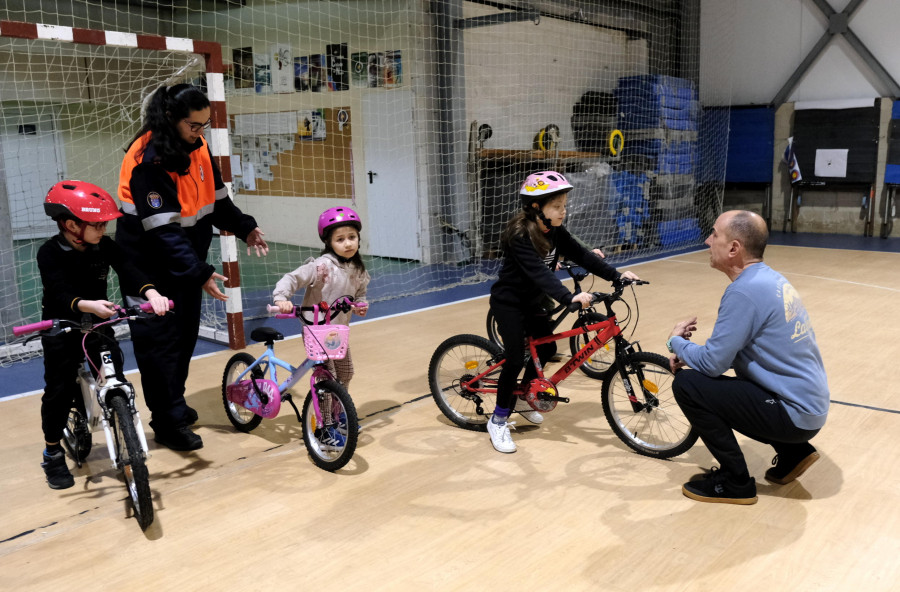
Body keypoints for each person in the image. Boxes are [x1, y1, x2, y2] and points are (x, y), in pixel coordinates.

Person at [116, 83, 269, 451]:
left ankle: (175, 406)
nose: (200, 133)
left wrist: (246, 227)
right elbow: (164, 233)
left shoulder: (198, 148)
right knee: (159, 347)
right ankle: (166, 423)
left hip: (183, 266)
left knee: (183, 340)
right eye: (194, 125)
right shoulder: (148, 161)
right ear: (171, 118)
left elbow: (217, 203)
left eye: (204, 124)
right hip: (148, 272)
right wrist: (199, 271)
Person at [667, 210, 829, 505]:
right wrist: (693, 354)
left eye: (714, 234)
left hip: (794, 413)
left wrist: (676, 343)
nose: (707, 241)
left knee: (688, 385)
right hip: (809, 406)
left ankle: (736, 482)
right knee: (719, 382)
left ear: (733, 248)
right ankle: (795, 453)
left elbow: (713, 365)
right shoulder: (769, 279)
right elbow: (727, 357)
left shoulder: (744, 292)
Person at [486, 171, 640, 453]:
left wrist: (616, 277)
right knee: (513, 359)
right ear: (536, 207)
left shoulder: (555, 231)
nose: (563, 211)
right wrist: (568, 296)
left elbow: (583, 255)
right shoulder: (520, 234)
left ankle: (522, 397)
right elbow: (537, 273)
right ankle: (497, 420)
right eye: (557, 206)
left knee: (545, 351)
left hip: (532, 302)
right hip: (509, 302)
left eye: (564, 205)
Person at [37, 181, 170, 489]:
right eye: (97, 225)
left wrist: (151, 292)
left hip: (97, 323)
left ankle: (121, 424)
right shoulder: (49, 252)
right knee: (58, 389)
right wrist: (87, 305)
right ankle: (53, 453)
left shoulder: (104, 246)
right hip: (61, 324)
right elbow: (58, 292)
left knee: (115, 375)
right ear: (71, 225)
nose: (103, 229)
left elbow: (128, 268)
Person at [272, 206, 370, 388]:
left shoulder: (358, 269)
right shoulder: (321, 267)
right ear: (328, 242)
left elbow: (360, 294)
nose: (348, 243)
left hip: (338, 330)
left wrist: (361, 305)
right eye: (340, 239)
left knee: (346, 373)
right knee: (327, 376)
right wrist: (281, 298)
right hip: (315, 331)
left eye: (352, 237)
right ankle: (325, 416)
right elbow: (292, 278)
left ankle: (340, 411)